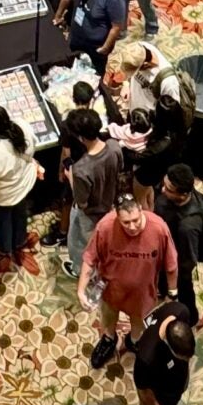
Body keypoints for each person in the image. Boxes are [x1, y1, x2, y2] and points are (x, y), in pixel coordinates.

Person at [81, 189, 177, 370]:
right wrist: (81, 290)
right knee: (108, 319)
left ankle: (134, 341)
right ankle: (109, 340)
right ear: (116, 216)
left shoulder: (159, 228)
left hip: (142, 293)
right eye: (126, 222)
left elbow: (171, 264)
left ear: (141, 210)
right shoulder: (105, 227)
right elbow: (89, 258)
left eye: (136, 220)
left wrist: (172, 292)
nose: (132, 227)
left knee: (138, 323)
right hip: (111, 290)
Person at [63, 106, 127, 280]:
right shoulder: (114, 147)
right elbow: (120, 170)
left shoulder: (81, 169)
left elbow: (81, 201)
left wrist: (70, 177)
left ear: (80, 137)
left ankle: (80, 270)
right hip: (109, 204)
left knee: (81, 245)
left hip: (89, 213)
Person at [154, 163, 203, 315]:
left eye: (169, 190)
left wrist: (173, 277)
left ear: (183, 195)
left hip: (176, 261)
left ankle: (190, 316)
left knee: (184, 290)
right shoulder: (173, 194)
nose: (163, 190)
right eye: (164, 184)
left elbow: (188, 261)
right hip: (164, 248)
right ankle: (162, 289)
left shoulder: (189, 227)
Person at [0, 104, 41, 262]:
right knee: (20, 215)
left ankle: (5, 248)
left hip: (3, 196)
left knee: (3, 222)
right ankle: (19, 241)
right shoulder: (22, 125)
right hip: (24, 184)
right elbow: (34, 143)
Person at [132, 299, 198, 405]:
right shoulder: (147, 357)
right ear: (168, 344)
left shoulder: (181, 311)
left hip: (172, 387)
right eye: (183, 357)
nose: (186, 360)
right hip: (156, 395)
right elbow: (143, 389)